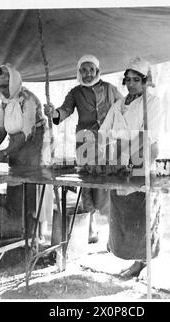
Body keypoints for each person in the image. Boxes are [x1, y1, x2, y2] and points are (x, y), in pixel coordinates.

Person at [44, 54, 123, 243]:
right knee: (86, 185)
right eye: (84, 70)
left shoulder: (111, 89)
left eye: (91, 70)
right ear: (79, 72)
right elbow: (64, 111)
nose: (88, 74)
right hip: (85, 144)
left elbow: (124, 108)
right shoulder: (75, 92)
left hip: (107, 143)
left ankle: (113, 232)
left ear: (97, 71)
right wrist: (53, 112)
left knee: (107, 185)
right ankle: (90, 228)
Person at [99, 57, 163, 278]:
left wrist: (126, 148)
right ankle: (135, 262)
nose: (131, 84)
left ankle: (146, 265)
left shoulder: (152, 103)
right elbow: (104, 132)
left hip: (143, 159)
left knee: (144, 213)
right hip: (120, 163)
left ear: (146, 81)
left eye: (137, 80)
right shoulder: (118, 105)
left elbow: (149, 136)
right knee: (125, 213)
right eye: (128, 80)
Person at [0, 63, 53, 241]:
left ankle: (34, 236)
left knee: (30, 186)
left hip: (34, 145)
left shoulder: (28, 99)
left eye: (5, 85)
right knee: (15, 185)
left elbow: (26, 133)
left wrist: (4, 153)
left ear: (14, 82)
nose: (2, 89)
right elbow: (2, 130)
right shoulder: (4, 102)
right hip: (16, 146)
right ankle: (19, 232)